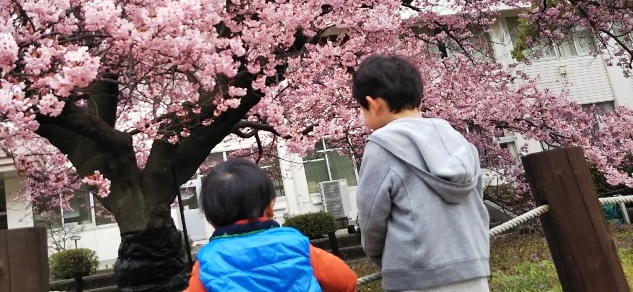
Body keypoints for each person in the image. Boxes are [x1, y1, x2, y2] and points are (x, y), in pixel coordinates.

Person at [352, 54, 490, 292]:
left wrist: (380, 257)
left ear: (373, 104)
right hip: (473, 270)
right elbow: (478, 199)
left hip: (416, 276)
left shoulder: (382, 145)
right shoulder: (458, 141)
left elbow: (371, 215)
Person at [185, 158, 357, 292]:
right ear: (270, 207)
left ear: (210, 220)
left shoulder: (208, 261)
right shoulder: (294, 244)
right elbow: (346, 280)